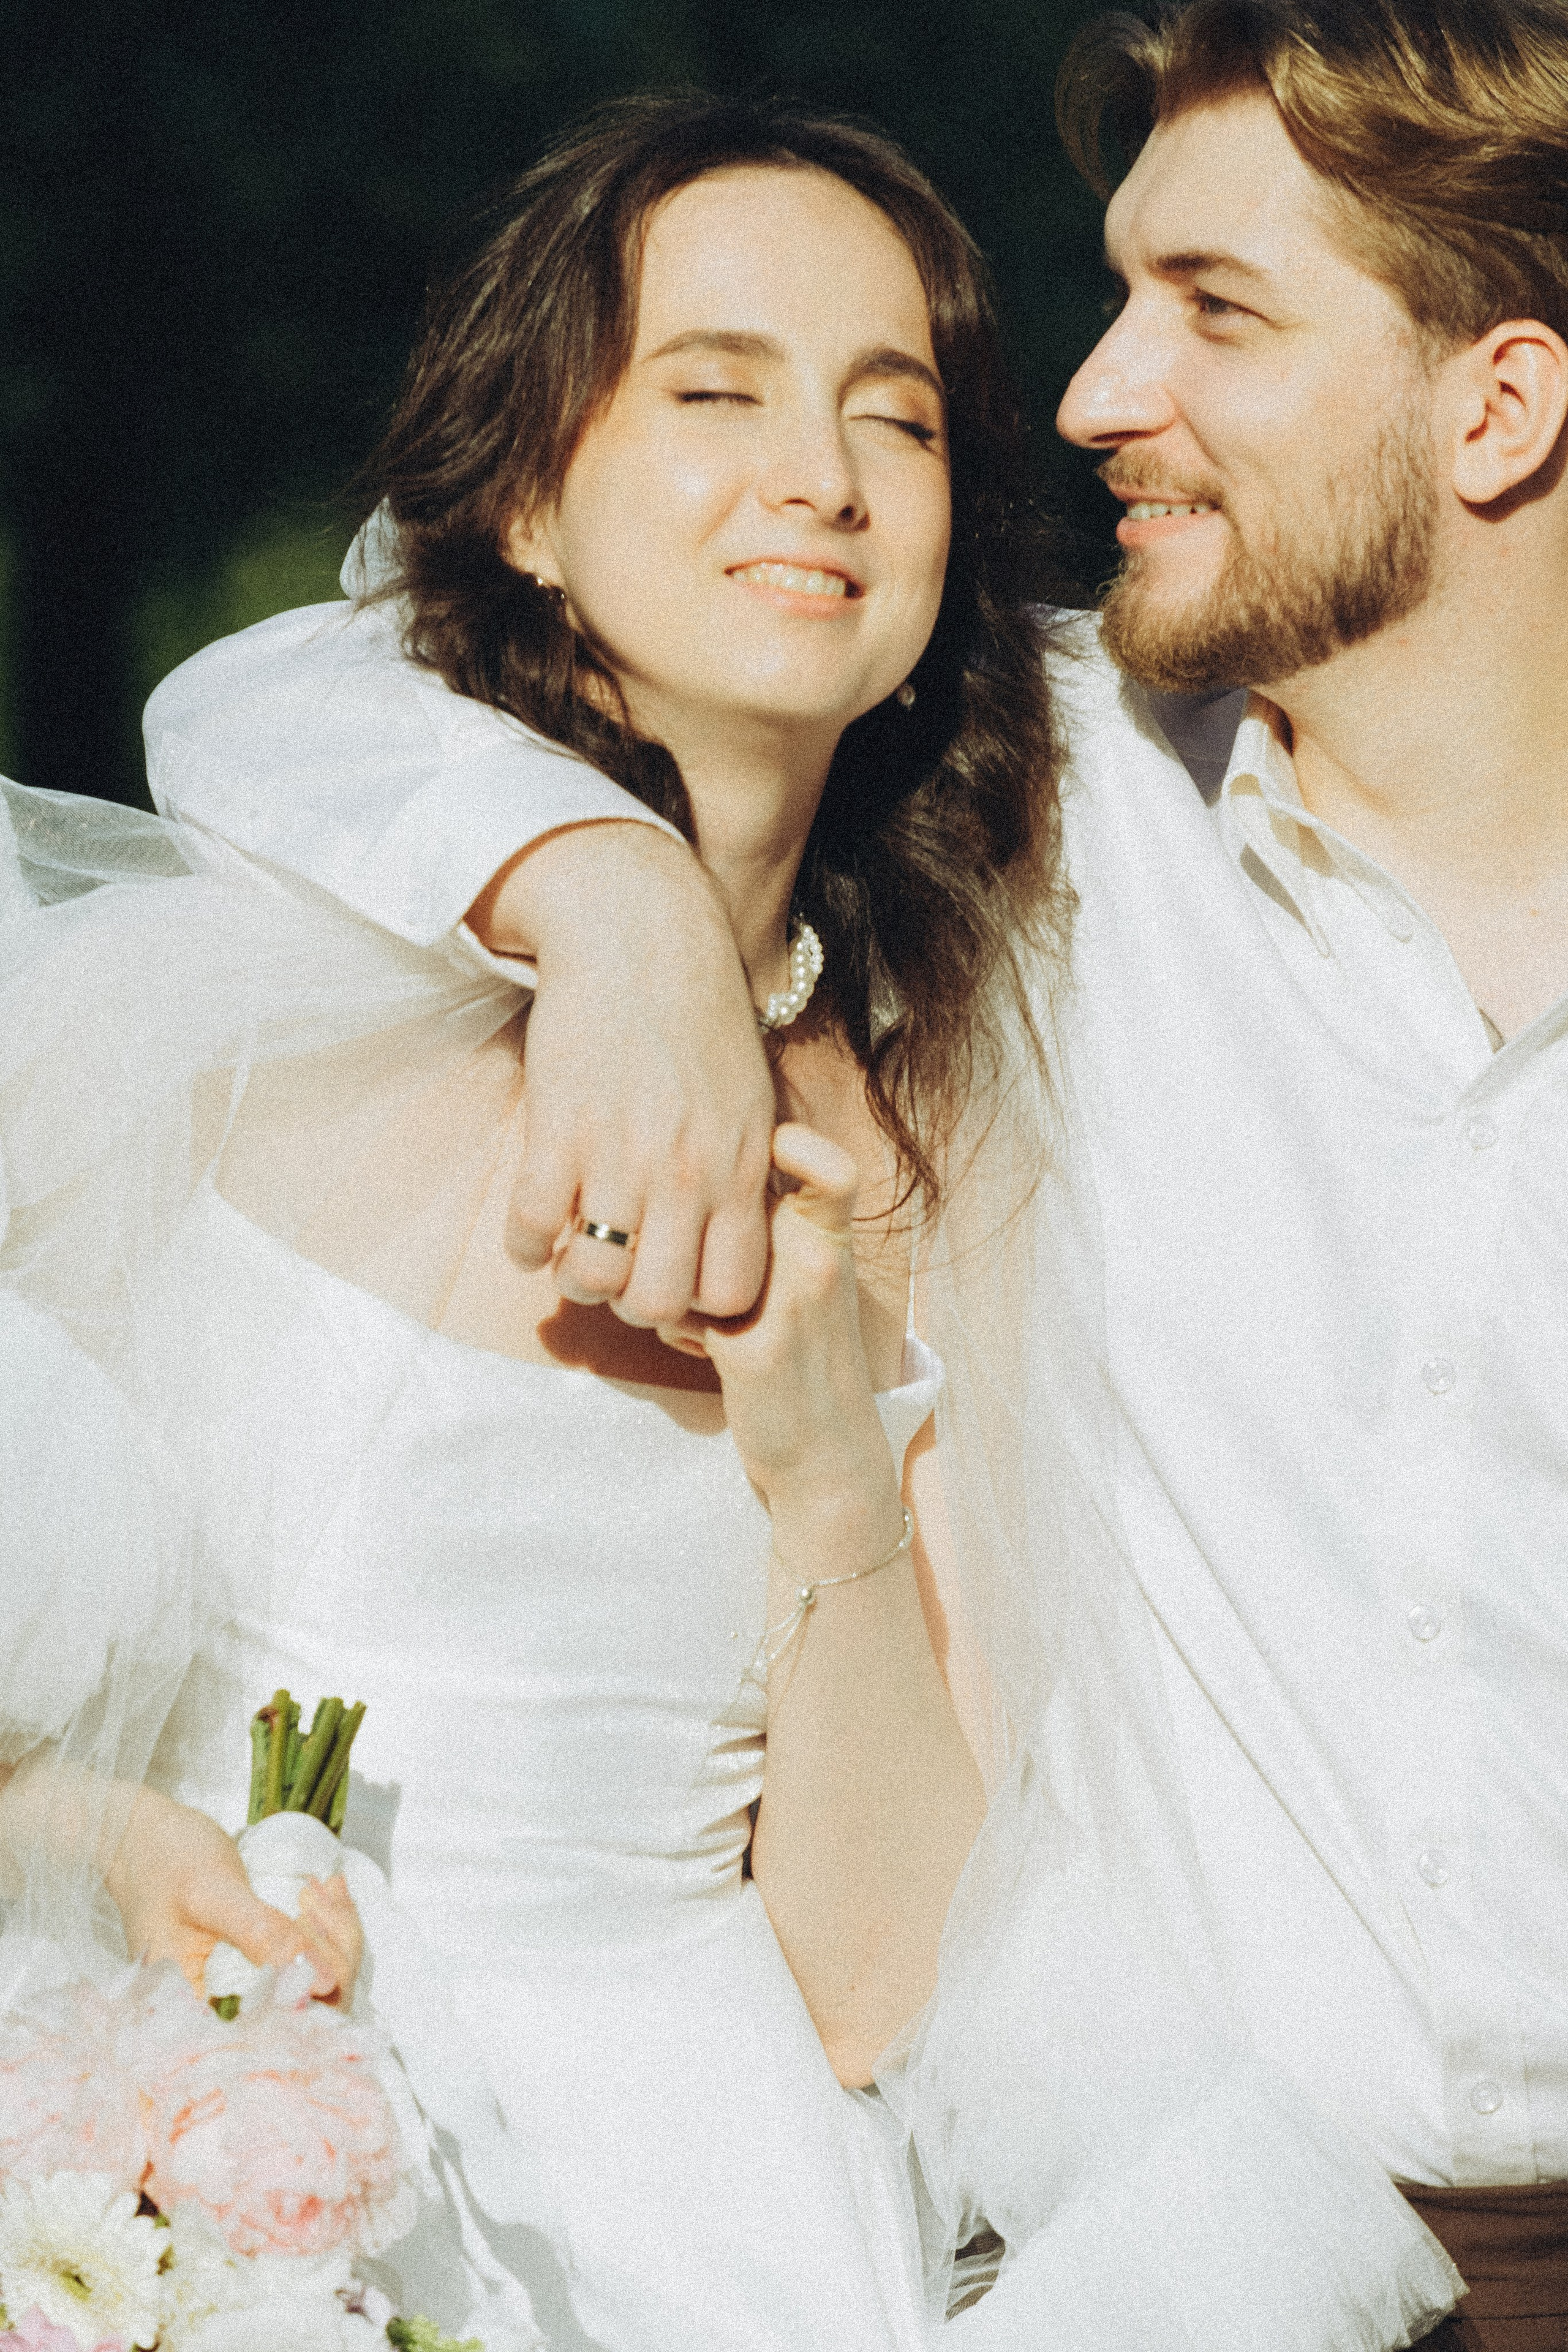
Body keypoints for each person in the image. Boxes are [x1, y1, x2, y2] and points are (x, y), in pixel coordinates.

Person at [146, 2, 1568, 2345]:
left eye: (1213, 311)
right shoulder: (1082, 805)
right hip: (1234, 2246)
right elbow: (320, 678)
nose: (1097, 399)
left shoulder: (983, 883)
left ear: (1496, 409)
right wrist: (597, 896)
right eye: (1111, 307)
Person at [0, 93, 1074, 2350]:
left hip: (678, 2226)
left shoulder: (940, 1156)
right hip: (137, 2139)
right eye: (715, 392)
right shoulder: (245, 1013)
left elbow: (883, 1984)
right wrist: (105, 1851)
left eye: (899, 417)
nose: (824, 472)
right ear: (521, 496)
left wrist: (823, 1474)